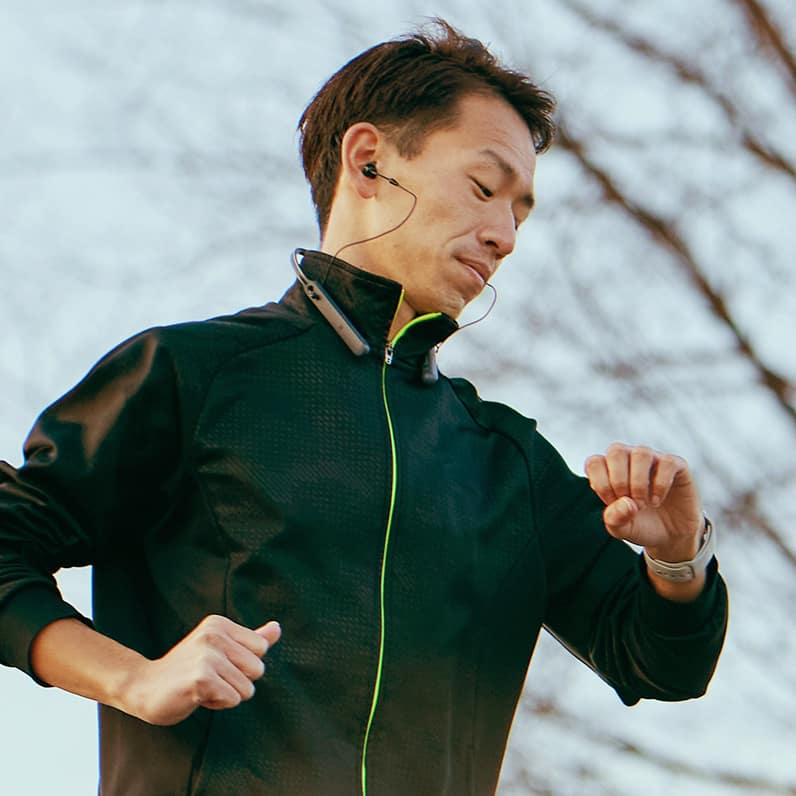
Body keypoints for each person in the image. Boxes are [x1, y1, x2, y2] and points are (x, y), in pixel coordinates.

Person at [0, 18, 727, 796]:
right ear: (369, 160)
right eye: (485, 188)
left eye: (521, 212)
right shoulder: (196, 375)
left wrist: (677, 556)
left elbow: (662, 662)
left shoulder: (506, 463)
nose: (505, 235)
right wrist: (135, 679)